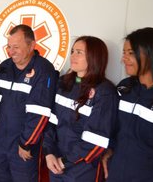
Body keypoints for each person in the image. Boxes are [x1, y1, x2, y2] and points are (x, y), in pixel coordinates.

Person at [0, 24, 58, 182]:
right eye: (9, 47)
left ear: (32, 45)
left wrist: (26, 143)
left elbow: (40, 113)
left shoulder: (44, 70)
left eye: (16, 47)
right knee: (0, 177)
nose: (10, 52)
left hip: (23, 144)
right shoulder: (5, 66)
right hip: (3, 139)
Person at [42, 36, 119, 181]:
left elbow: (96, 141)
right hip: (56, 164)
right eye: (72, 51)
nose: (73, 56)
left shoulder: (105, 92)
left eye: (79, 52)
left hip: (82, 170)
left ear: (94, 57)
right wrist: (49, 153)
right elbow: (50, 122)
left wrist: (65, 161)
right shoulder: (64, 83)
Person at [102, 27, 153, 182]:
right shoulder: (124, 88)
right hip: (115, 175)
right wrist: (110, 149)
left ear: (151, 54)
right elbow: (114, 129)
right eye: (124, 53)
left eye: (131, 53)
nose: (124, 59)